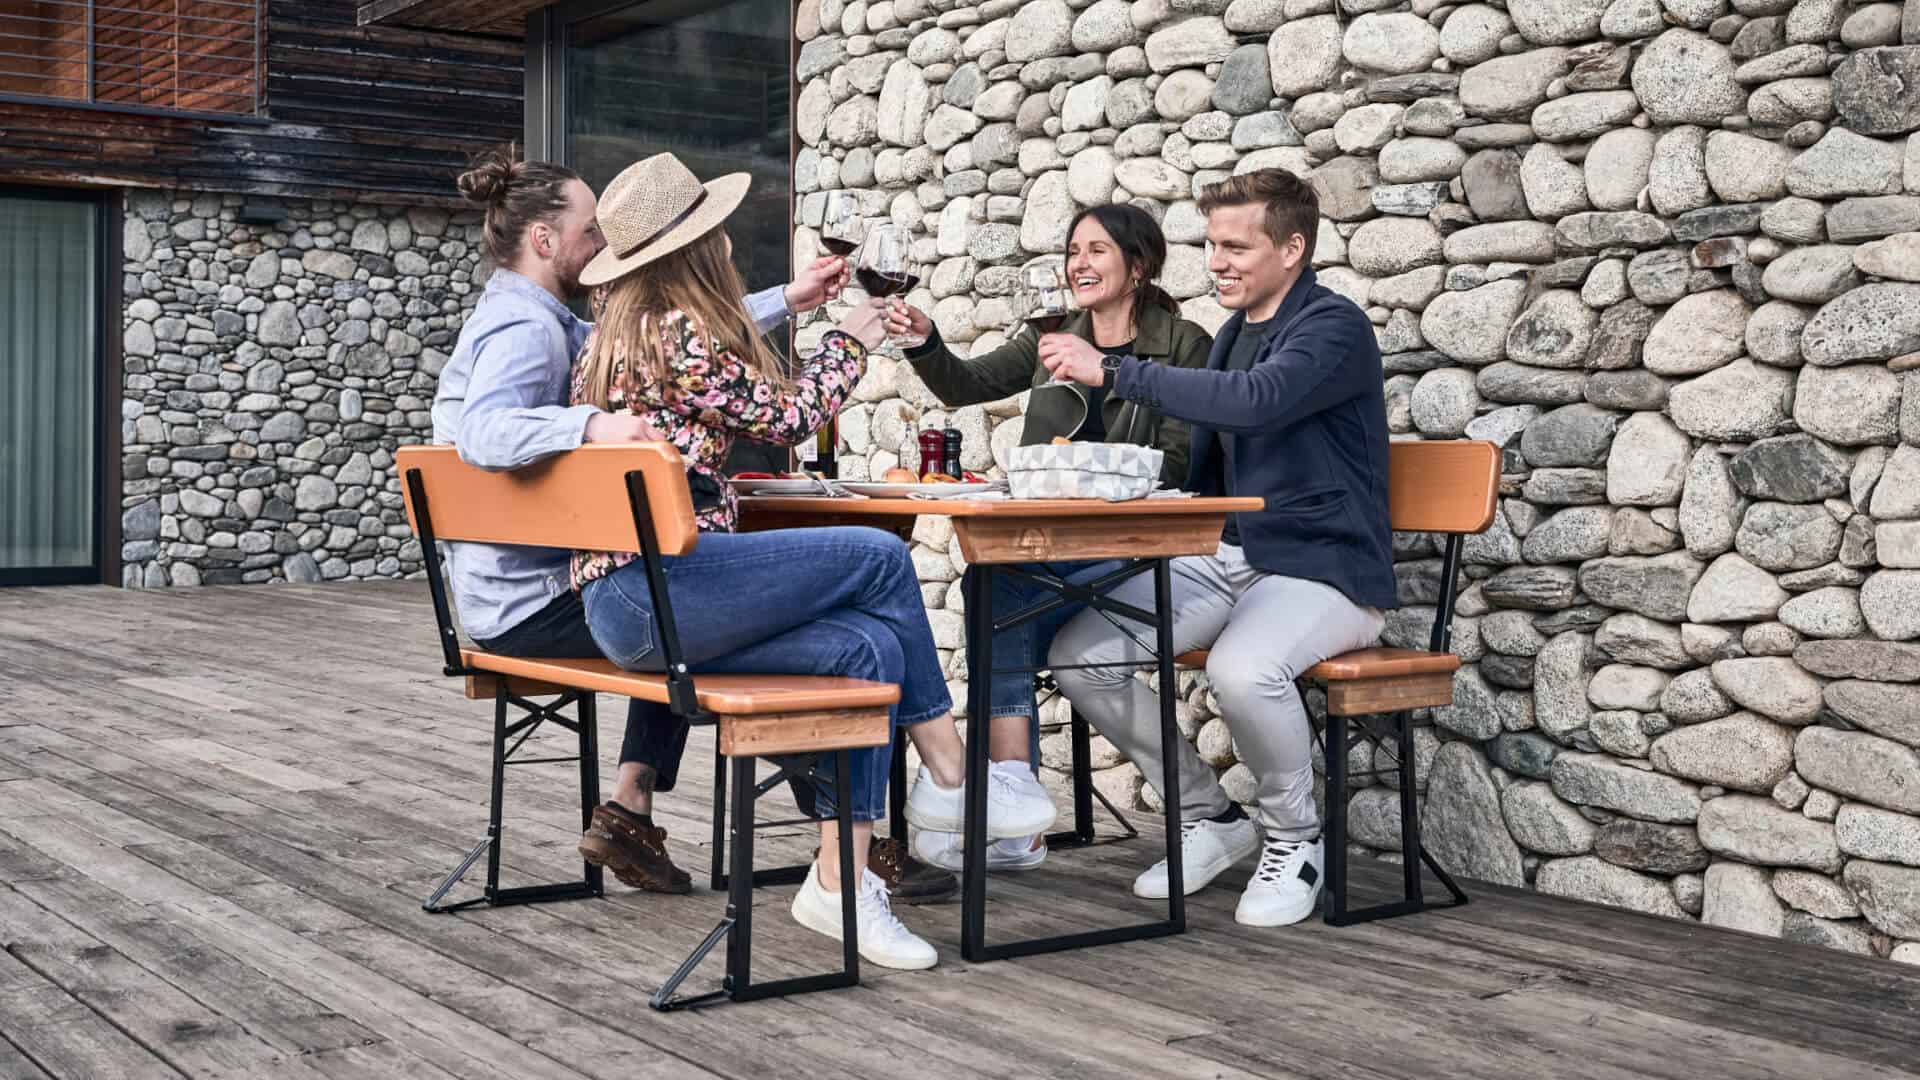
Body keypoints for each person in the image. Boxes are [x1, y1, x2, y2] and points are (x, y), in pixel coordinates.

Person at [568, 153, 1056, 969]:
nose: (727, 246)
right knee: (875, 556)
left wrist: (807, 316)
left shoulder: (626, 333)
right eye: (716, 234)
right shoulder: (676, 332)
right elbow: (789, 417)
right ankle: (950, 775)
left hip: (637, 597)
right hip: (659, 592)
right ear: (695, 245)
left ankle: (840, 881)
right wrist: (851, 339)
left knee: (865, 651)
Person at [430, 144, 848, 895]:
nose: (607, 247)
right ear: (545, 239)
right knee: (731, 620)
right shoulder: (526, 330)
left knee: (680, 592)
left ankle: (630, 807)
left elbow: (660, 342)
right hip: (530, 599)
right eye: (593, 229)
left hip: (508, 590)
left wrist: (788, 297)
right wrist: (590, 427)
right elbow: (482, 435)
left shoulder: (536, 315)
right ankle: (848, 837)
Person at [1039, 168, 1395, 928]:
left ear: (1293, 248)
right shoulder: (1233, 332)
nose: (1217, 261)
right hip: (1237, 556)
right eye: (1212, 244)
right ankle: (1210, 817)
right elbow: (1208, 456)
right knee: (1081, 656)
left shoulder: (1332, 327)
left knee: (1243, 669)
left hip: (1327, 568)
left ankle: (1296, 838)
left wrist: (1119, 371)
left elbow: (1258, 404)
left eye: (1237, 245)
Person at [883, 203, 1212, 873]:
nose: (1078, 264)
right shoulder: (1052, 335)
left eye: (1096, 250)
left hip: (1136, 552)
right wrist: (925, 340)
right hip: (1051, 549)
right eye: (1072, 252)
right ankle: (1014, 797)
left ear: (1139, 265)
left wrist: (1084, 461)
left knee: (996, 590)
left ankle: (1011, 803)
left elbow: (1179, 464)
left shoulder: (1184, 345)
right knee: (994, 581)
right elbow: (966, 384)